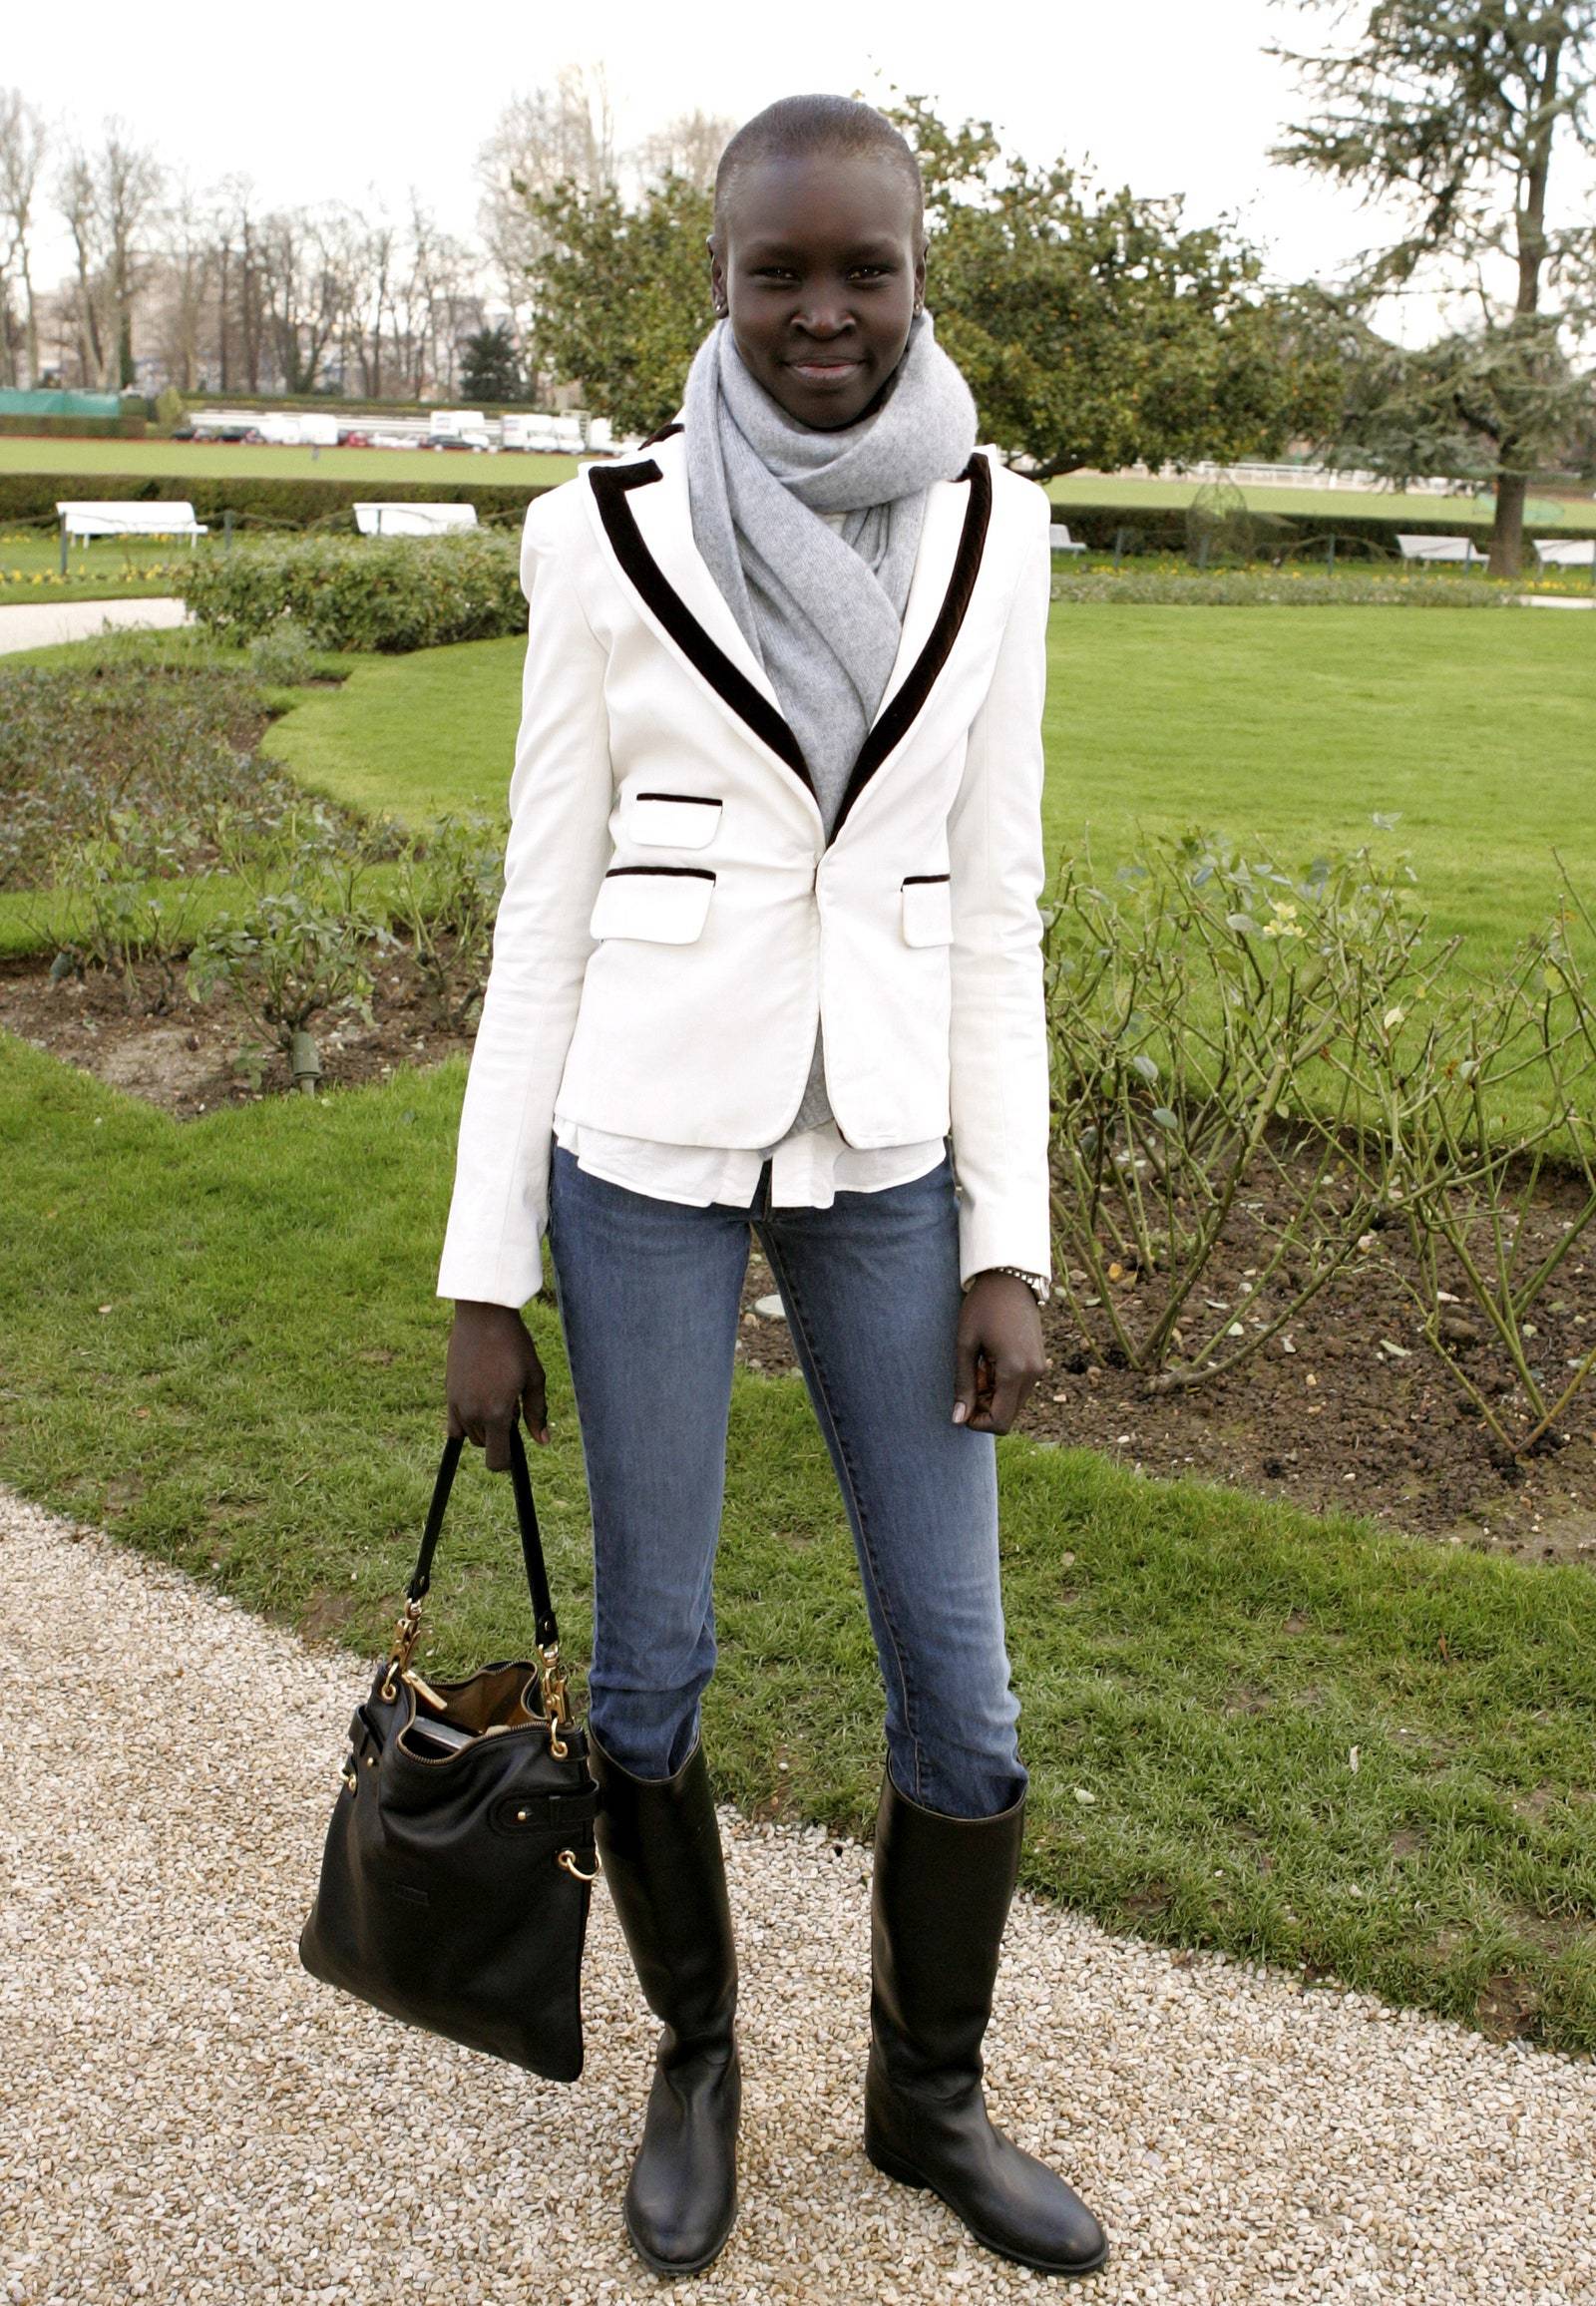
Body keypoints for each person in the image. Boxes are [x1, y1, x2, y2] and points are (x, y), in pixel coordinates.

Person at [439, 93, 1107, 2284]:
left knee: (965, 1680)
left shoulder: (993, 532)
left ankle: (925, 2096)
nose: (822, 312)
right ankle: (694, 2058)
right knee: (649, 1664)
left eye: (864, 269)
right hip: (634, 1149)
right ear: (714, 280)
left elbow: (989, 904)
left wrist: (1004, 1234)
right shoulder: (599, 528)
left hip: (892, 1152)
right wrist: (483, 1270)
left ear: (918, 271)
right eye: (775, 270)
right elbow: (538, 914)